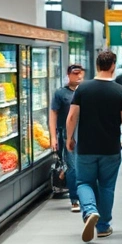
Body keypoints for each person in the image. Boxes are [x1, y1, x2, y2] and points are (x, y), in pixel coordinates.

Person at [66, 51, 122, 243]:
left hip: (86, 147)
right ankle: (103, 227)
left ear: (97, 65)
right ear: (113, 65)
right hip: (110, 148)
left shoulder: (82, 88)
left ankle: (89, 212)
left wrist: (69, 138)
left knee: (84, 182)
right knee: (106, 186)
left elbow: (72, 117)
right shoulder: (121, 91)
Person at [49, 64, 85, 213]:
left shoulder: (86, 91)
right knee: (72, 167)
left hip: (85, 133)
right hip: (67, 135)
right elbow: (53, 114)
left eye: (80, 74)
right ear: (68, 75)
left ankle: (86, 196)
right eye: (75, 74)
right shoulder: (61, 93)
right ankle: (75, 199)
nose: (78, 77)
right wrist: (53, 137)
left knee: (84, 166)